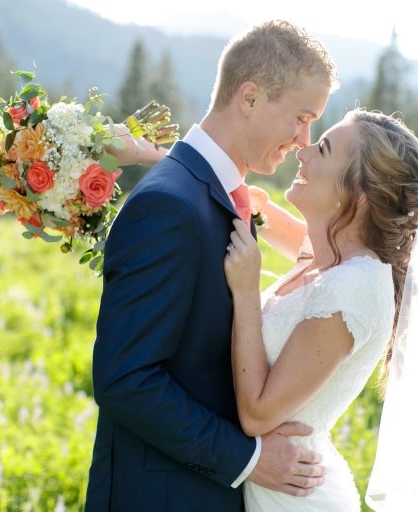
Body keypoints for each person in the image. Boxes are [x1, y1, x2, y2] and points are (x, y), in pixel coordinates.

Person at [85, 21, 338, 511]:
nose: (304, 140)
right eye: (301, 118)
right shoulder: (167, 206)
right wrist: (249, 460)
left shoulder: (219, 193)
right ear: (250, 98)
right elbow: (124, 379)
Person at [223, 109, 418, 511]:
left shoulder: (351, 289)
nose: (303, 152)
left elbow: (257, 415)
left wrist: (246, 294)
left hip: (296, 498)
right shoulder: (331, 253)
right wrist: (175, 163)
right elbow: (272, 221)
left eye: (323, 149)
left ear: (356, 195)